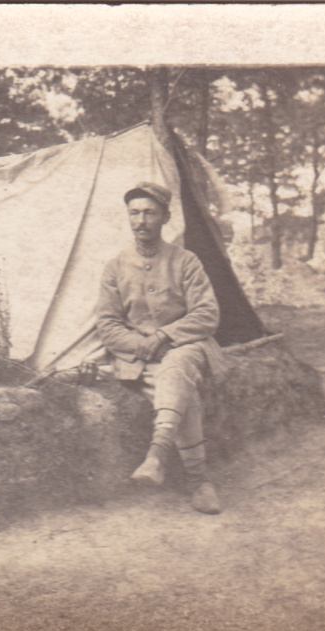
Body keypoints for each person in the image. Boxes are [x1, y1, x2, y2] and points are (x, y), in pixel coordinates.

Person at [95, 181, 224, 515]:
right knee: (180, 386)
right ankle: (199, 481)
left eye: (150, 213)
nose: (141, 221)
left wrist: (164, 336)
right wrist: (142, 345)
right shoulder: (115, 266)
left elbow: (208, 313)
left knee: (179, 364)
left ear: (165, 217)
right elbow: (107, 324)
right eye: (134, 213)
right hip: (141, 358)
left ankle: (157, 454)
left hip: (186, 345)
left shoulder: (186, 261)